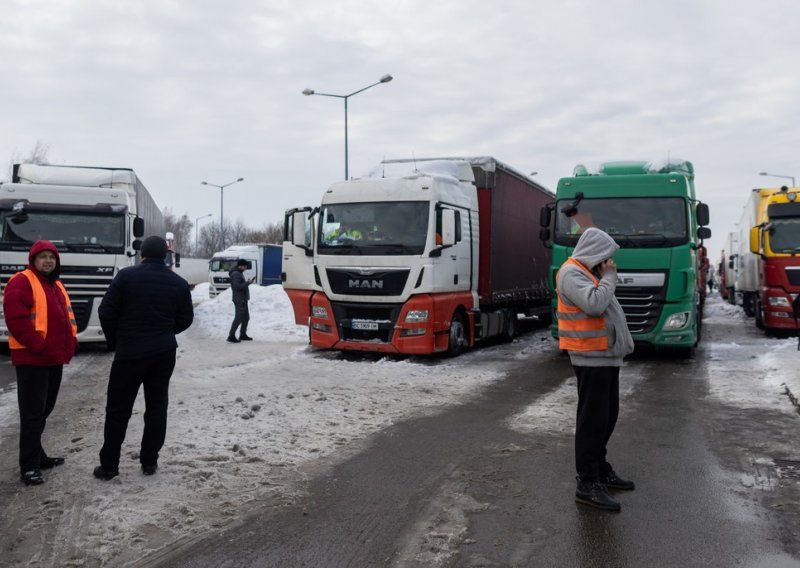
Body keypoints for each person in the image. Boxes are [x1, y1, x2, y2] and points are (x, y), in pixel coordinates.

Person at [93, 236, 193, 480]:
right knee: (157, 407)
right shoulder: (179, 283)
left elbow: (106, 311)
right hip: (163, 353)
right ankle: (149, 461)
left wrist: (116, 339)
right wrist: (166, 332)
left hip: (130, 353)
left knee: (118, 408)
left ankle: (109, 466)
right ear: (166, 256)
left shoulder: (126, 277)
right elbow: (186, 319)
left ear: (142, 255)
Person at [556, 227, 635, 511]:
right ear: (595, 251)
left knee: (606, 417)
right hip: (590, 358)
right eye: (606, 256)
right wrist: (610, 277)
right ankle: (587, 483)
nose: (609, 262)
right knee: (592, 422)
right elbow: (594, 305)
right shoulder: (571, 273)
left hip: (604, 356)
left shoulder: (588, 273)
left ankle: (600, 469)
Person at [2, 240, 78, 486]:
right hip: (33, 359)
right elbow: (16, 319)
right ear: (33, 260)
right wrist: (38, 345)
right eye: (43, 256)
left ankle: (38, 454)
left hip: (52, 359)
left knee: (44, 409)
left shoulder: (55, 284)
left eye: (52, 257)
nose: (48, 261)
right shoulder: (22, 281)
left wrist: (70, 344)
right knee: (33, 413)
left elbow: (65, 318)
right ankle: (29, 466)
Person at [227, 258, 255, 343]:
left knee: (246, 317)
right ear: (241, 266)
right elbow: (237, 287)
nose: (246, 268)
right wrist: (248, 283)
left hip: (242, 298)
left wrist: (247, 282)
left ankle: (243, 334)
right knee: (239, 318)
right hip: (240, 299)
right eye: (245, 266)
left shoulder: (239, 273)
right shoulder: (236, 274)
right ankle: (231, 336)